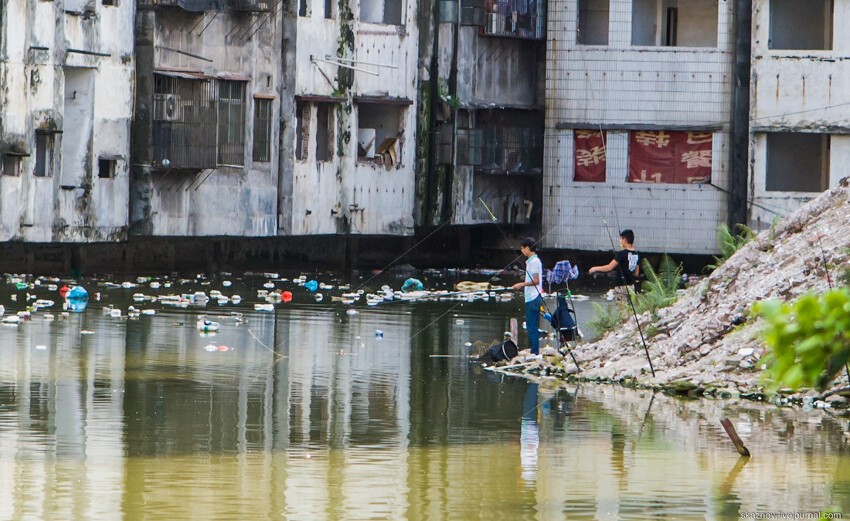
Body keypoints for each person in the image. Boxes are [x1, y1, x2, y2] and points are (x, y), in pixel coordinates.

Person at [512, 237, 544, 355]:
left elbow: (536, 281)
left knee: (531, 327)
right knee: (532, 326)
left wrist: (521, 284)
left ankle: (534, 352)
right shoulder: (532, 261)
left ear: (527, 248)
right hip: (533, 296)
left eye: (522, 248)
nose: (521, 251)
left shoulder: (534, 262)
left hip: (533, 297)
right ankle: (534, 351)